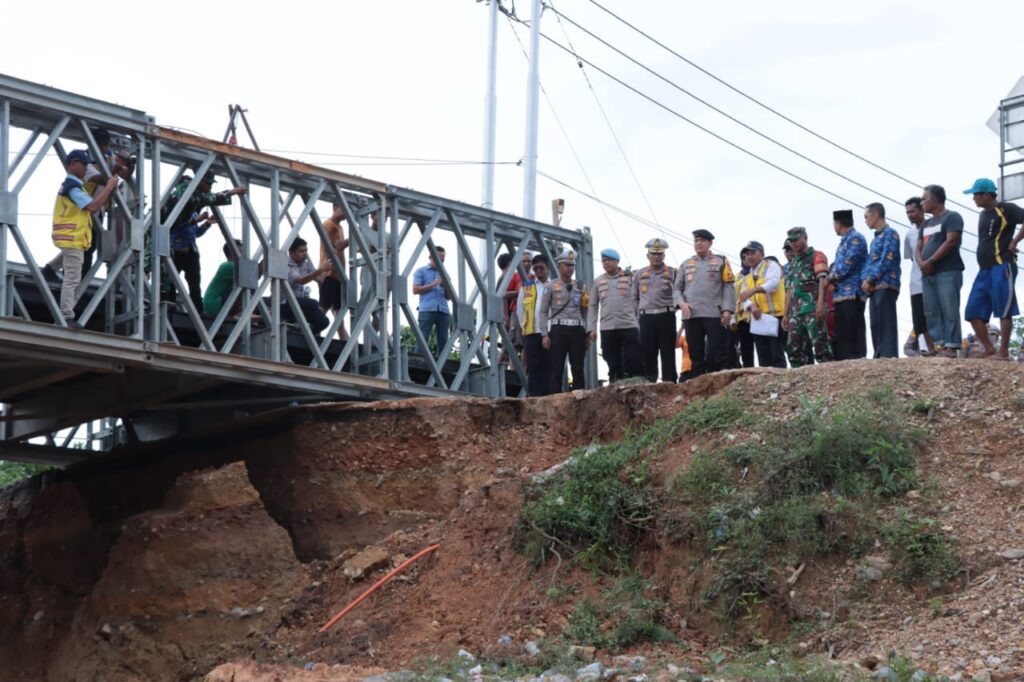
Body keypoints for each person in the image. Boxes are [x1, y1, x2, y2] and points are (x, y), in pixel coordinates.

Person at [44, 149, 121, 328]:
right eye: (83, 163)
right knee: (72, 278)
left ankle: (50, 269)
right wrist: (109, 187)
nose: (86, 167)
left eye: (87, 163)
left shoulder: (73, 185)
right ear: (72, 164)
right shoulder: (73, 187)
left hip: (72, 237)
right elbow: (93, 206)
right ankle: (65, 316)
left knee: (70, 264)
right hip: (71, 236)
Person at [163, 171, 248, 313]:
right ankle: (170, 310)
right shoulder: (176, 207)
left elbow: (194, 234)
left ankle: (197, 311)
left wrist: (206, 224)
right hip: (175, 252)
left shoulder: (193, 209)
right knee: (171, 283)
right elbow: (175, 227)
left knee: (194, 284)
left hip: (190, 252)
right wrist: (233, 192)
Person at [963, 178, 1024, 360]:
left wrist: (1015, 241)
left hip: (1002, 265)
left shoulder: (1006, 209)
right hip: (984, 270)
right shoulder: (983, 215)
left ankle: (1003, 352)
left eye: (976, 194)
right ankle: (990, 350)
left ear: (987, 194)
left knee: (1004, 309)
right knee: (972, 312)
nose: (974, 198)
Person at [673, 229, 735, 380]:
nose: (698, 243)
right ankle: (698, 385)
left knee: (716, 351)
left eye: (702, 240)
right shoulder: (686, 263)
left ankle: (716, 383)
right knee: (695, 352)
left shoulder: (721, 261)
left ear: (710, 243)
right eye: (696, 240)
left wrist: (727, 309)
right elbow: (677, 288)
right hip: (691, 314)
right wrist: (681, 303)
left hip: (713, 313)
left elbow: (728, 286)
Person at [916, 184, 965, 358]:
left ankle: (951, 346)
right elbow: (919, 246)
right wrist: (922, 262)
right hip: (927, 273)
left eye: (924, 199)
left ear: (934, 200)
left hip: (948, 271)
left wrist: (932, 260)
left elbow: (951, 241)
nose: (921, 203)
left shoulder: (952, 217)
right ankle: (939, 345)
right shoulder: (925, 224)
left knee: (949, 307)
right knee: (931, 310)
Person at [538, 248, 589, 393]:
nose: (570, 268)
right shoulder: (551, 286)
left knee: (578, 367)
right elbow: (543, 311)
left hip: (577, 329)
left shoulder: (580, 286)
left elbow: (585, 309)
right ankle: (556, 399)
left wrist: (586, 331)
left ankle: (580, 398)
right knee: (556, 368)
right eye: (567, 265)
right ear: (559, 266)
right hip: (559, 329)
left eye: (572, 265)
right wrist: (544, 334)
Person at [587, 248, 642, 382]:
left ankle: (633, 385)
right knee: (610, 358)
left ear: (617, 261)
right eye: (604, 261)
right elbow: (593, 305)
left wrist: (640, 321)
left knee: (632, 359)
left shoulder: (630, 277)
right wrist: (591, 328)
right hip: (608, 327)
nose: (606, 263)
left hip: (628, 325)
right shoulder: (598, 281)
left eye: (609, 260)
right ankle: (614, 384)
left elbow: (639, 299)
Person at [783, 227, 833, 367]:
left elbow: (822, 281)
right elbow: (789, 289)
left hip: (812, 307)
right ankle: (799, 378)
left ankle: (828, 374)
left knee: (820, 344)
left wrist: (820, 304)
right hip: (795, 311)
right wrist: (785, 314)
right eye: (791, 241)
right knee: (793, 347)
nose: (793, 244)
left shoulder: (817, 255)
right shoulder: (792, 263)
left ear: (804, 237)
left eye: (796, 240)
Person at [633, 238, 679, 383]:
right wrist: (638, 314)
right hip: (646, 317)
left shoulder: (673, 273)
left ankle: (669, 382)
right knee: (648, 352)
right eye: (653, 254)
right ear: (648, 256)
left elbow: (679, 293)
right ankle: (650, 381)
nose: (656, 257)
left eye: (659, 254)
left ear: (664, 256)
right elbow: (634, 297)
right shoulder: (640, 274)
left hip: (666, 315)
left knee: (668, 352)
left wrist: (674, 309)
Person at [736, 241, 787, 368]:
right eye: (746, 254)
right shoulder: (747, 277)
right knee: (763, 356)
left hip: (775, 316)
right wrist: (751, 306)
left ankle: (781, 384)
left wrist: (754, 290)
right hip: (758, 318)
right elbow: (742, 297)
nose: (749, 257)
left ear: (762, 254)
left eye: (753, 253)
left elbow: (773, 283)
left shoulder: (771, 265)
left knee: (777, 354)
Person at [861, 202, 902, 358]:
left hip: (886, 284)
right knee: (876, 323)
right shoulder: (875, 239)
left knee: (886, 321)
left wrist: (870, 279)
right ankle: (879, 354)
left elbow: (887, 259)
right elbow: (869, 262)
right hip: (874, 287)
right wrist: (866, 280)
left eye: (867, 216)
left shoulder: (890, 233)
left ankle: (888, 355)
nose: (865, 220)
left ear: (876, 215)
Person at [827, 209, 867, 361]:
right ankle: (844, 358)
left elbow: (847, 263)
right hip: (840, 292)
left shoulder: (856, 238)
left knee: (853, 325)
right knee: (842, 328)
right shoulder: (843, 241)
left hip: (853, 290)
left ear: (838, 224)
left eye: (834, 224)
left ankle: (857, 356)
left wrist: (831, 278)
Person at [903, 197, 934, 355]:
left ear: (922, 210)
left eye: (913, 211)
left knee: (935, 315)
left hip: (934, 280)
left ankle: (941, 348)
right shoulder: (909, 235)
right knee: (920, 320)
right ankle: (930, 349)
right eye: (907, 212)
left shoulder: (933, 227)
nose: (910, 215)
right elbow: (911, 258)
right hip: (916, 282)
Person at [517, 254, 551, 396]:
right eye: (535, 267)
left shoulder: (554, 286)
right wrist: (525, 327)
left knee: (550, 367)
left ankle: (551, 398)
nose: (538, 270)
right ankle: (535, 398)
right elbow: (520, 310)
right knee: (534, 367)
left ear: (547, 268)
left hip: (550, 332)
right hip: (532, 332)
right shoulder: (527, 288)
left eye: (541, 267)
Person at [285, 237, 330, 335]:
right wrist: (320, 270)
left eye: (306, 251)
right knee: (313, 304)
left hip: (301, 305)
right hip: (286, 304)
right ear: (291, 253)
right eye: (301, 251)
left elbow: (320, 279)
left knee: (323, 322)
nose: (304, 254)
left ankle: (305, 334)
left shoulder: (306, 264)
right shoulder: (286, 266)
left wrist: (326, 262)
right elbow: (300, 280)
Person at [412, 246, 451, 359]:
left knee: (444, 340)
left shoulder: (445, 274)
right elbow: (415, 289)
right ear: (430, 257)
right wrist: (433, 284)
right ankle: (418, 361)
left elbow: (448, 297)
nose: (441, 261)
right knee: (423, 338)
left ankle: (442, 364)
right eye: (438, 258)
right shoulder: (421, 271)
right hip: (427, 309)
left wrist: (445, 285)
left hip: (443, 309)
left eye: (442, 259)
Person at [319, 203, 350, 341]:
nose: (345, 213)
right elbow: (337, 246)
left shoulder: (339, 226)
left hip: (338, 273)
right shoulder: (329, 225)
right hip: (330, 272)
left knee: (338, 309)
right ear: (335, 208)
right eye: (342, 209)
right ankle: (314, 333)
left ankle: (342, 338)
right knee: (324, 306)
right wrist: (354, 237)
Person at [203, 240, 243, 318]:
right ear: (233, 252)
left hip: (214, 302)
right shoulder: (228, 266)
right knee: (245, 289)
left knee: (243, 288)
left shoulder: (229, 266)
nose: (243, 254)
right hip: (214, 303)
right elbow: (254, 274)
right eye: (241, 251)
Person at [497, 253, 523, 361]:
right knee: (509, 345)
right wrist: (506, 317)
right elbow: (504, 296)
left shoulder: (501, 277)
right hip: (509, 316)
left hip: (501, 317)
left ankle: (500, 368)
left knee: (508, 345)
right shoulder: (511, 275)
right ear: (510, 263)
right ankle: (498, 367)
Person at [732, 250, 755, 368]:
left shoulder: (758, 273)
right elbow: (733, 298)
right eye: (744, 257)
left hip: (757, 315)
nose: (746, 258)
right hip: (742, 318)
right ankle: (748, 371)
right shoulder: (736, 277)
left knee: (764, 347)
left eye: (749, 255)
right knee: (746, 349)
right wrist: (733, 319)